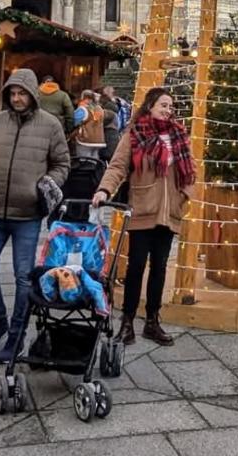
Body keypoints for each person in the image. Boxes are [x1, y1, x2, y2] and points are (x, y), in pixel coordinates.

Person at [0, 68, 70, 362]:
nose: (16, 98)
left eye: (21, 93)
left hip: (27, 216)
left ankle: (16, 334)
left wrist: (44, 188)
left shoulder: (50, 125)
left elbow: (62, 164)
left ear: (32, 95)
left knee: (24, 279)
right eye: (12, 93)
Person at [93, 87, 194, 347]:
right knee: (136, 266)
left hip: (169, 211)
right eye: (163, 104)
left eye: (170, 106)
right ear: (150, 105)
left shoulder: (179, 135)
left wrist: (184, 196)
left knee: (159, 268)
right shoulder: (135, 133)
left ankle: (152, 321)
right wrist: (104, 189)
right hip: (142, 209)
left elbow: (190, 170)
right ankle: (127, 322)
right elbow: (117, 166)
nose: (168, 109)